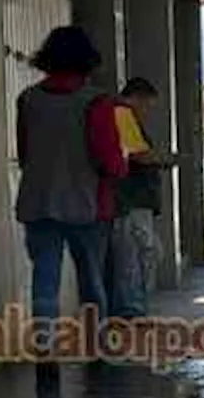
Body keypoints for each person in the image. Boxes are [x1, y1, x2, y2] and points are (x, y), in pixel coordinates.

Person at [15, 26, 127, 351]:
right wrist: (120, 170)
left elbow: (24, 152)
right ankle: (96, 345)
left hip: (38, 202)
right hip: (86, 204)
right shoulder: (96, 103)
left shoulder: (28, 100)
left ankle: (44, 346)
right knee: (91, 280)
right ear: (87, 60)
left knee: (44, 281)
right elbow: (109, 159)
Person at [109, 77, 176, 319]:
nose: (147, 111)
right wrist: (165, 159)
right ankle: (132, 307)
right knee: (144, 251)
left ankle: (134, 305)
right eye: (147, 105)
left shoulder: (124, 115)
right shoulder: (122, 114)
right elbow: (139, 155)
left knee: (141, 252)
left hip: (134, 198)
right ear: (137, 97)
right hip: (131, 198)